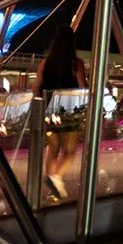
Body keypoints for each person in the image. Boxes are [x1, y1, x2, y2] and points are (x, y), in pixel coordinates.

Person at [37, 22, 87, 202]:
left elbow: (37, 87)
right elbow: (82, 88)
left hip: (49, 109)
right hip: (69, 110)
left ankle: (53, 187)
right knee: (70, 151)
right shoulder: (76, 63)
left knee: (52, 149)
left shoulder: (45, 63)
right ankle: (55, 178)